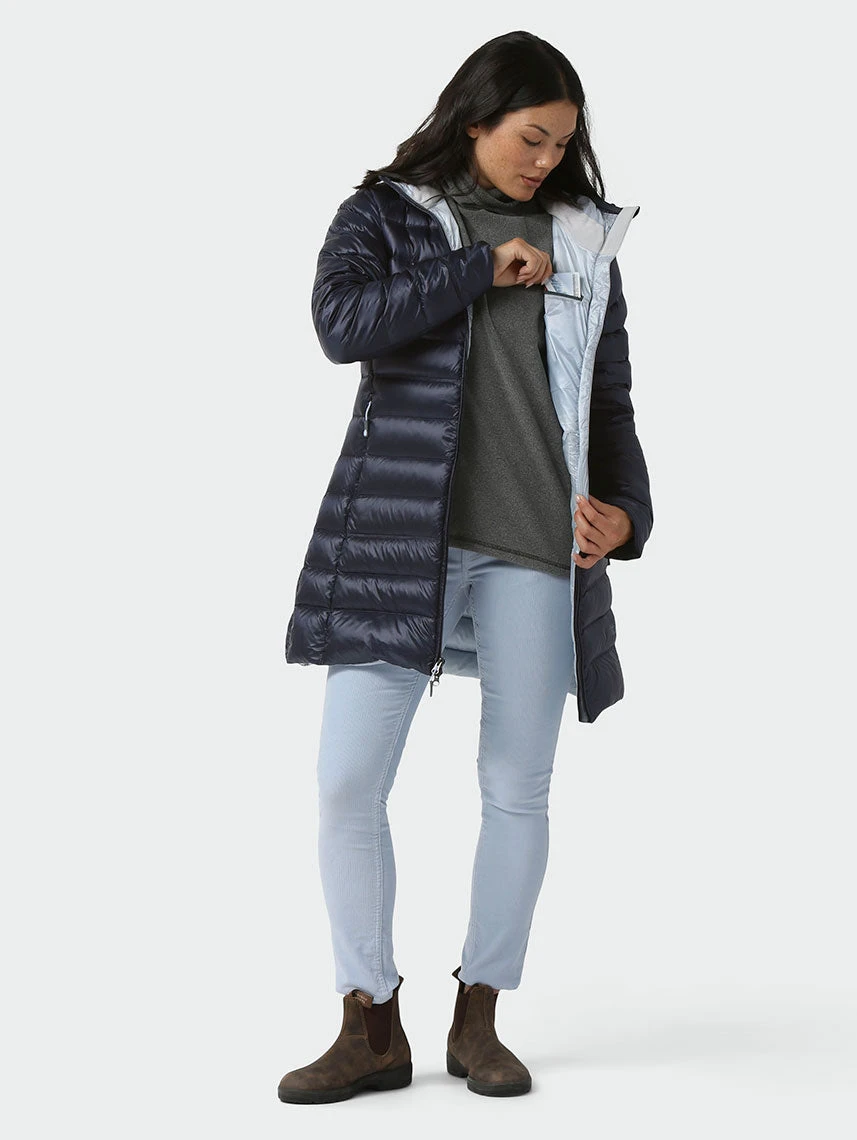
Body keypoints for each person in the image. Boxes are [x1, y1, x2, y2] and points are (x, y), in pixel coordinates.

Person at [278, 29, 653, 1104]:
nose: (546, 160)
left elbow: (608, 401)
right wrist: (478, 266)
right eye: (530, 138)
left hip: (536, 543)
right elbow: (341, 324)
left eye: (561, 144)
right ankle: (369, 1025)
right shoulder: (385, 215)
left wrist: (627, 514)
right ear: (475, 119)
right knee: (347, 783)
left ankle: (480, 1015)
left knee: (517, 789)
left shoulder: (581, 242)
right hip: (401, 542)